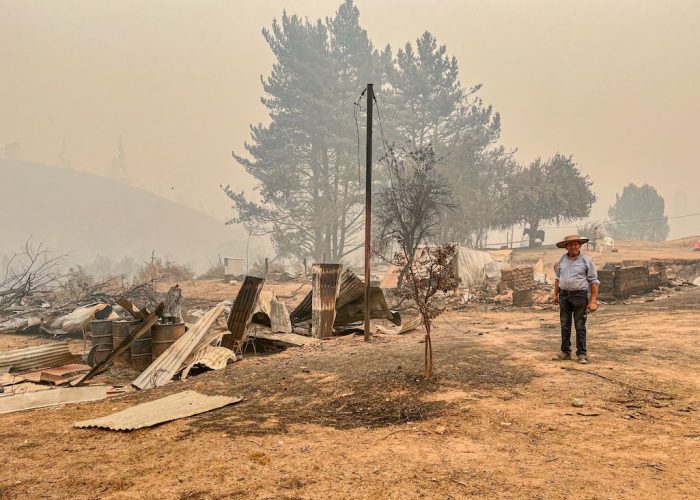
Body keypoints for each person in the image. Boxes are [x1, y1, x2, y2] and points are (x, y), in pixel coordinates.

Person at [553, 235, 600, 364]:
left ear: (580, 245)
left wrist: (593, 301)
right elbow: (558, 278)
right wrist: (555, 294)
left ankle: (582, 354)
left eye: (576, 244)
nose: (573, 247)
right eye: (570, 245)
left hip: (579, 296)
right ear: (566, 247)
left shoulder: (586, 260)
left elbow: (594, 282)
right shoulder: (563, 259)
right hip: (564, 295)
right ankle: (565, 352)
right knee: (564, 324)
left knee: (580, 325)